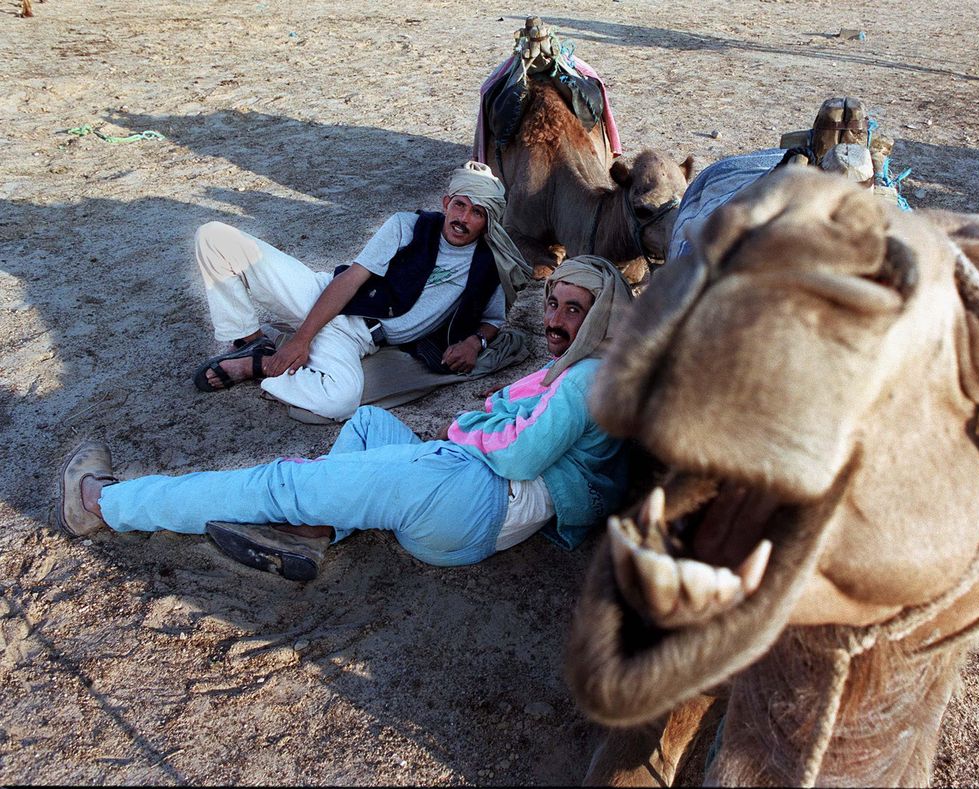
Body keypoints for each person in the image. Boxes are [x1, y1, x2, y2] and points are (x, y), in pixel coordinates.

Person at [55, 257, 632, 581]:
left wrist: (470, 430)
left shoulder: (586, 378)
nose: (555, 320)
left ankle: (105, 505)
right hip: (471, 500)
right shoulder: (592, 368)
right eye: (553, 304)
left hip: (472, 496)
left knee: (283, 481)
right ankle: (315, 532)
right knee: (364, 427)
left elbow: (518, 454)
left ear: (602, 317)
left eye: (573, 310)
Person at [191, 161, 532, 424]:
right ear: (446, 203)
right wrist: (302, 338)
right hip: (323, 297)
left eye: (477, 213)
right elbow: (351, 279)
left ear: (489, 221)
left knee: (340, 401)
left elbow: (491, 319)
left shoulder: (490, 265)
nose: (463, 218)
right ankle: (249, 340)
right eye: (460, 205)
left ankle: (257, 365)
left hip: (357, 339)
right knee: (214, 236)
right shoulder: (408, 226)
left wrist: (476, 342)